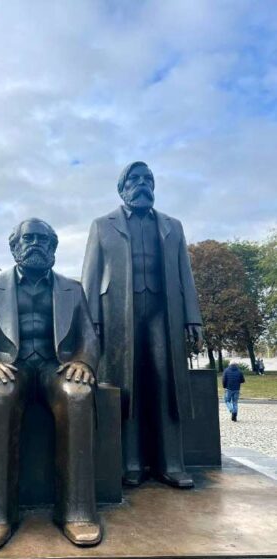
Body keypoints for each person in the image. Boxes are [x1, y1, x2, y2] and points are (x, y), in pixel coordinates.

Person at [0, 218, 101, 549]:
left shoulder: (73, 288)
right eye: (29, 239)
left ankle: (77, 511)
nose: (36, 244)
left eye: (44, 240)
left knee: (78, 394)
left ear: (54, 248)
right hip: (11, 366)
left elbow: (89, 336)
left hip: (56, 365)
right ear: (14, 247)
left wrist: (83, 361)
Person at [82, 161, 203, 489]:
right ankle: (131, 462)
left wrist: (193, 316)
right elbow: (91, 276)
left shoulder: (172, 226)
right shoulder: (102, 225)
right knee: (127, 383)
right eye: (134, 179)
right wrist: (91, 319)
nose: (142, 184)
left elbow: (185, 274)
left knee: (167, 383)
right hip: (119, 312)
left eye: (147, 179)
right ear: (122, 188)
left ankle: (172, 463)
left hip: (164, 311)